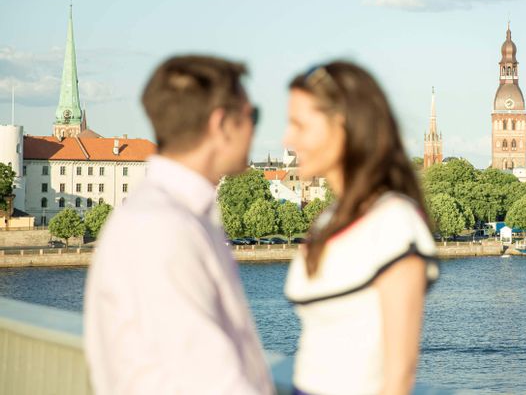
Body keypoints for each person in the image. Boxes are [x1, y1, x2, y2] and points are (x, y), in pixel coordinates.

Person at [84, 55, 274, 394]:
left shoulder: (165, 214)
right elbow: (208, 380)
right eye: (252, 116)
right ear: (221, 125)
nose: (255, 129)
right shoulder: (164, 228)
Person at [283, 61, 439, 395]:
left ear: (342, 125)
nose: (288, 138)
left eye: (300, 125)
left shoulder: (393, 223)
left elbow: (399, 376)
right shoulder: (330, 218)